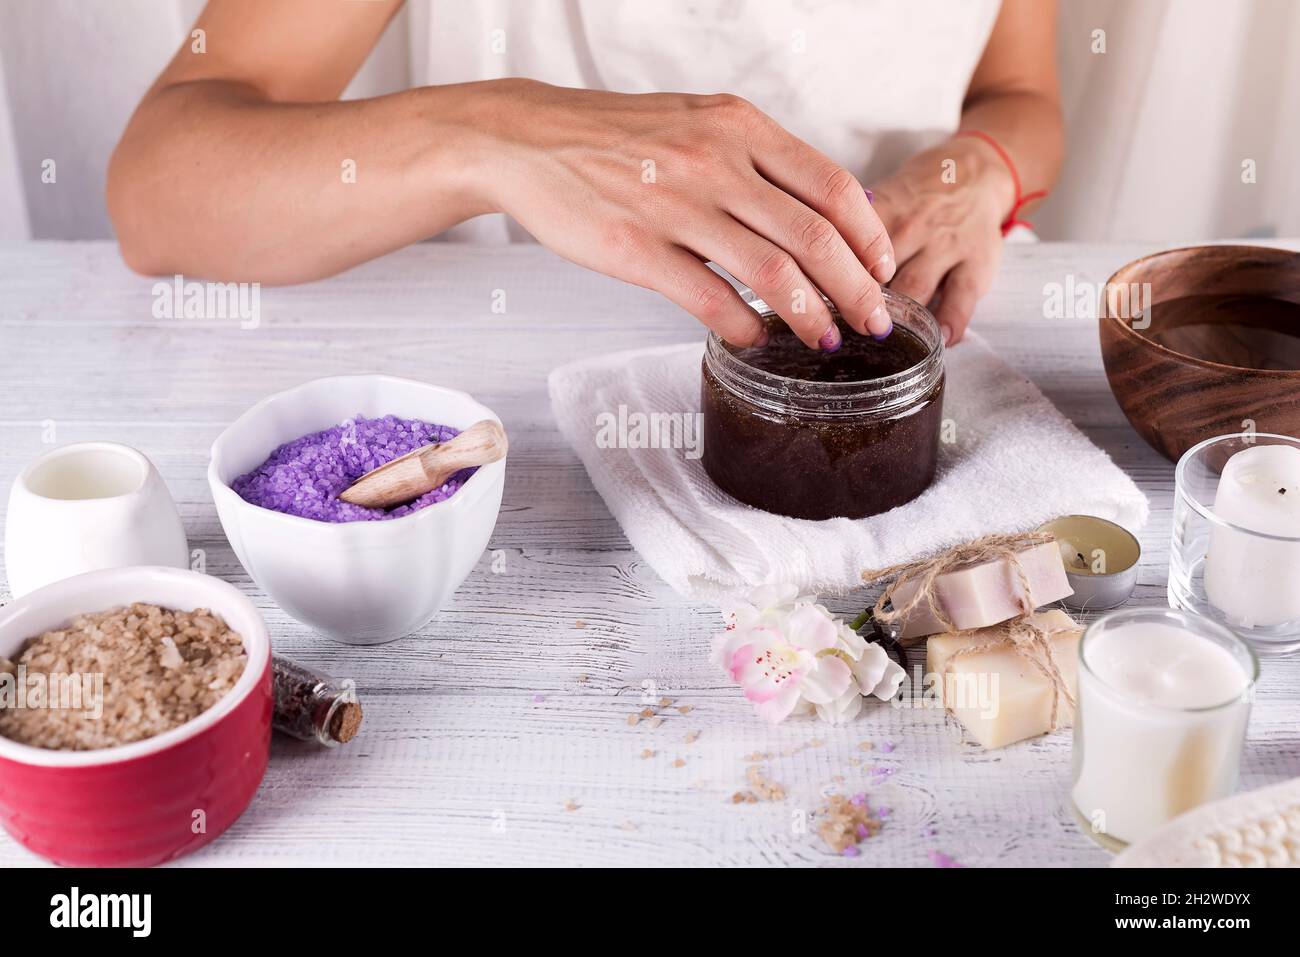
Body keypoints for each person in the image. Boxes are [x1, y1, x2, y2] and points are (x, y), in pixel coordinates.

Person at [107, 0, 1062, 349]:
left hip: (916, 332)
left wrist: (980, 170)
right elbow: (160, 184)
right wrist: (499, 135)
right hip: (535, 372)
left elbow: (1022, 92)